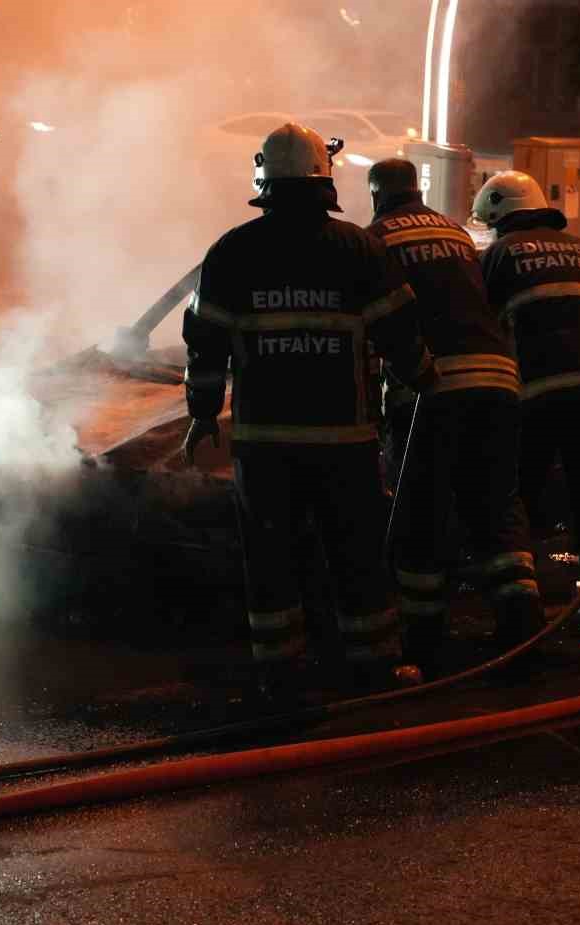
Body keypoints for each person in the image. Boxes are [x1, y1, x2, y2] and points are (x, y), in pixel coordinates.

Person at [182, 123, 435, 695]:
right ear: (325, 178)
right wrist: (425, 378)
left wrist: (202, 411)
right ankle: (372, 667)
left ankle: (280, 672)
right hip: (343, 443)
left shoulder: (233, 251)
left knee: (271, 560)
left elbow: (205, 344)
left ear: (264, 179)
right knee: (356, 554)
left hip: (263, 446)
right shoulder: (358, 248)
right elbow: (400, 330)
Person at [365, 158, 542, 675]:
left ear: (377, 195)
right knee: (496, 505)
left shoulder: (374, 239)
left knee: (422, 512)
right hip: (499, 382)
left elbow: (375, 323)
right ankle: (523, 627)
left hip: (433, 387)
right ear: (416, 189)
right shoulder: (457, 232)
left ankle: (422, 648)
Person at [473, 171, 580, 654]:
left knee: (516, 506)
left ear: (501, 217)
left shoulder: (500, 256)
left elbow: (483, 327)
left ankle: (523, 625)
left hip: (537, 399)